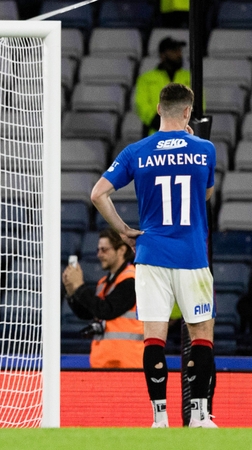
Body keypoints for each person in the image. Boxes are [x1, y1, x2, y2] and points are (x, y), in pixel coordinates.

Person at [91, 83, 217, 428]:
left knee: (154, 337)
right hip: (191, 255)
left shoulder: (136, 151)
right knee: (201, 333)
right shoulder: (204, 149)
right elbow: (205, 195)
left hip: (150, 254)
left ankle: (159, 419)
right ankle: (200, 416)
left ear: (159, 109)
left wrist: (122, 230)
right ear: (188, 112)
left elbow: (98, 194)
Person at [62, 229, 143, 369]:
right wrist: (71, 292)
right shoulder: (103, 283)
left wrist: (80, 286)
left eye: (104, 250)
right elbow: (88, 313)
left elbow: (106, 310)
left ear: (121, 250)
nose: (99, 254)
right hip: (104, 362)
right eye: (98, 250)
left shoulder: (131, 280)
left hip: (128, 363)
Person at [135, 37, 190, 136]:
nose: (179, 54)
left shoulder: (189, 77)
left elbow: (199, 103)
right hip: (154, 133)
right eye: (174, 51)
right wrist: (158, 121)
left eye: (179, 51)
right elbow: (141, 104)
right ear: (163, 55)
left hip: (183, 133)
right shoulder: (146, 78)